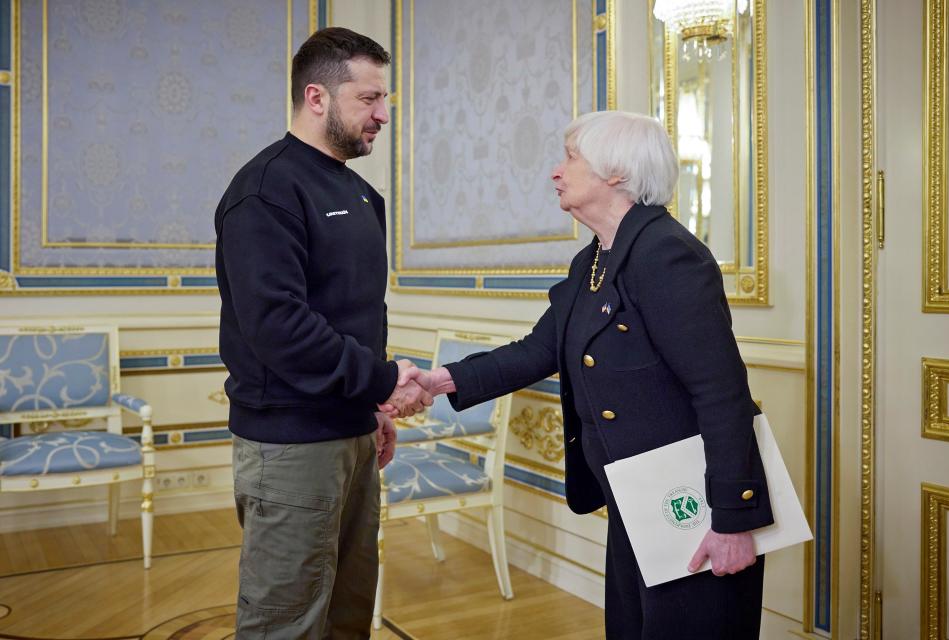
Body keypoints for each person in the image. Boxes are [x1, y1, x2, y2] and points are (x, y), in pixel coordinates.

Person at [391, 111, 774, 639]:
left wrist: (732, 521)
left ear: (615, 173)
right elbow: (537, 350)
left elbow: (722, 393)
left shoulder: (668, 255)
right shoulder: (594, 260)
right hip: (635, 499)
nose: (556, 171)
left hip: (693, 506)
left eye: (570, 157)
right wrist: (440, 381)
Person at [215, 27, 430, 639]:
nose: (382, 115)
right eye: (368, 99)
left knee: (347, 615)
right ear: (317, 97)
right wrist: (386, 380)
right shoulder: (264, 190)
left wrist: (374, 404)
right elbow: (278, 327)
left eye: (383, 99)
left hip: (355, 434)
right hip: (290, 446)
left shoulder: (364, 195)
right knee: (284, 624)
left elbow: (358, 313)